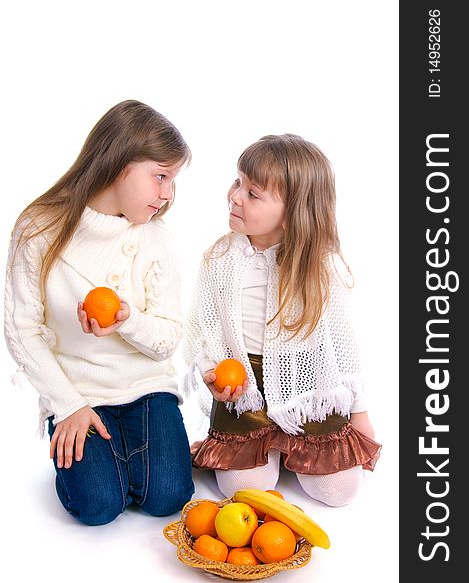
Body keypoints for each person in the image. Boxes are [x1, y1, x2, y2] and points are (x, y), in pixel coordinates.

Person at [4, 100, 195, 525]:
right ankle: (108, 464)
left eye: (172, 181)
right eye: (160, 176)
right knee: (97, 507)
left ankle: (130, 460)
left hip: (145, 385)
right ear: (118, 164)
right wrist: (67, 403)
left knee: (168, 497)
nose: (167, 195)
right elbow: (21, 328)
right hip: (78, 390)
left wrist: (128, 320)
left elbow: (167, 338)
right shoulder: (39, 228)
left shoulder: (155, 239)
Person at [183, 134, 381, 507]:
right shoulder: (220, 257)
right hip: (244, 387)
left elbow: (343, 345)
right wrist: (212, 373)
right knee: (246, 493)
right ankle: (266, 446)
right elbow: (202, 328)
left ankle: (292, 445)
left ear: (292, 215)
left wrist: (359, 412)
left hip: (306, 384)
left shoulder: (320, 266)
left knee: (338, 493)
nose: (235, 196)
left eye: (253, 194)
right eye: (237, 181)